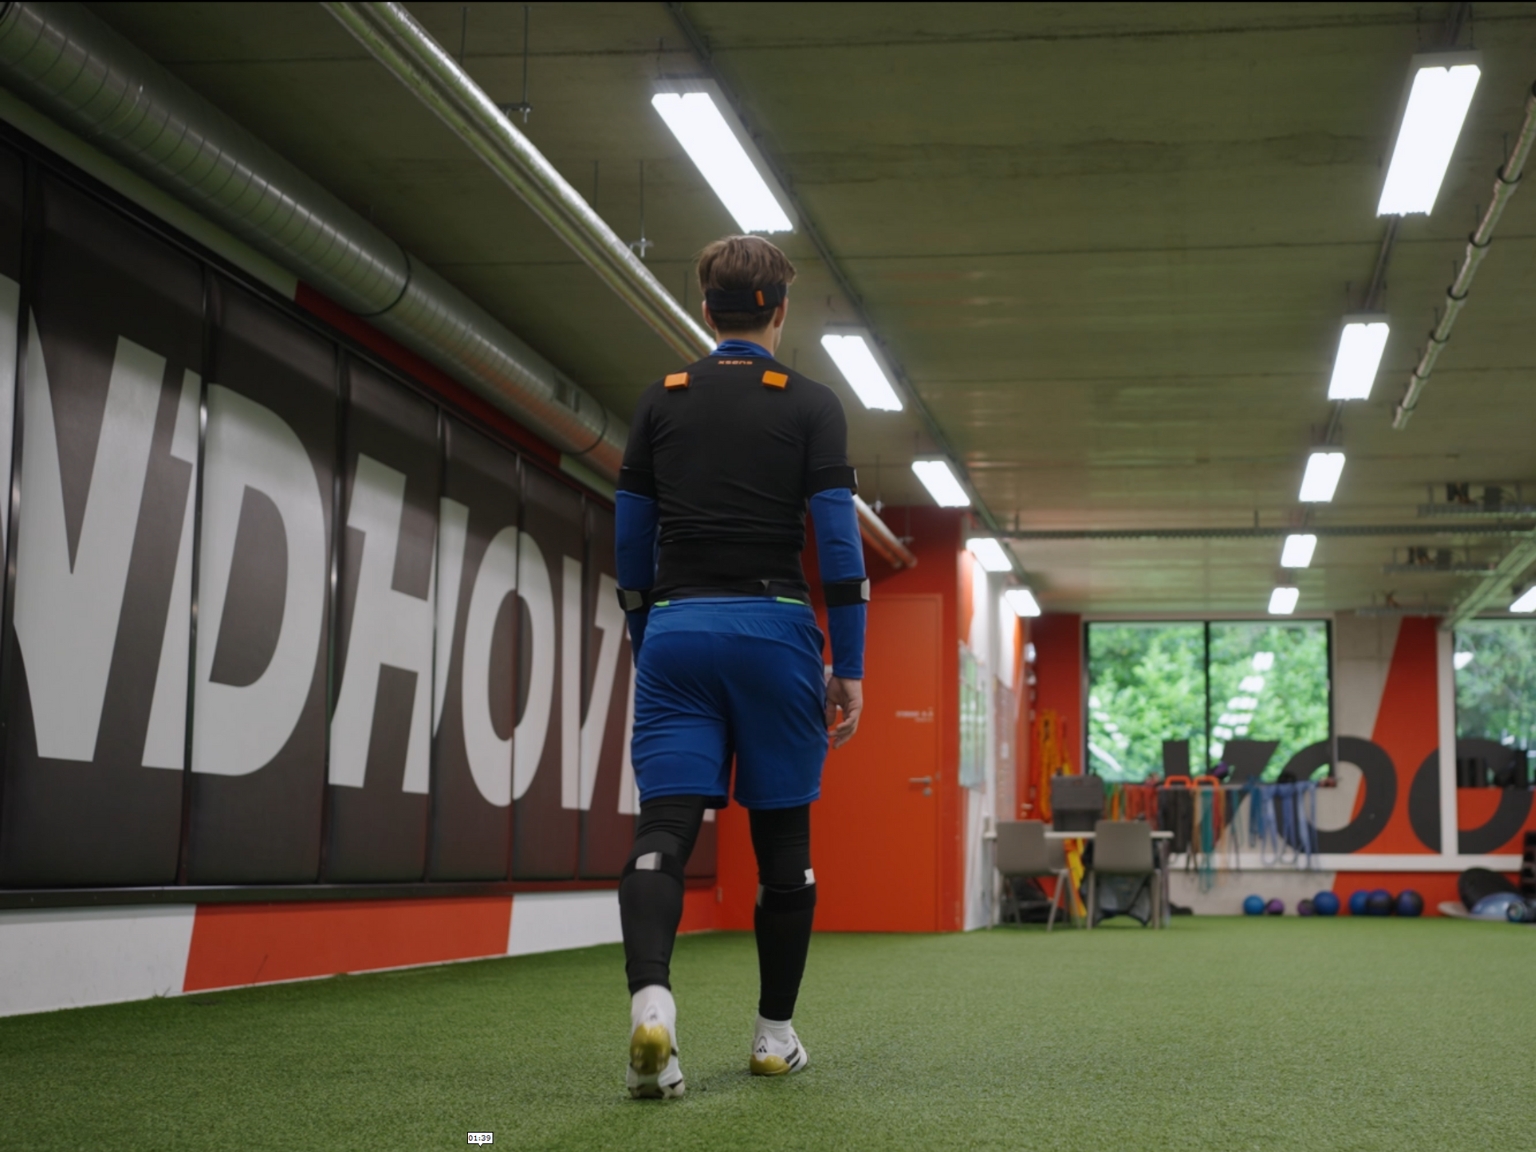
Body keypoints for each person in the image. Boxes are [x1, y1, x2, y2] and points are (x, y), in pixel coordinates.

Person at [614, 235, 868, 1099]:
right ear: (780, 312)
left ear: (706, 308)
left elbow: (630, 542)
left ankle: (653, 1006)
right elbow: (839, 548)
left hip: (678, 628)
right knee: (783, 845)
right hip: (776, 632)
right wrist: (850, 665)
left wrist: (649, 636)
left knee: (664, 829)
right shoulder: (813, 404)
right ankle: (772, 1038)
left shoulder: (661, 399)